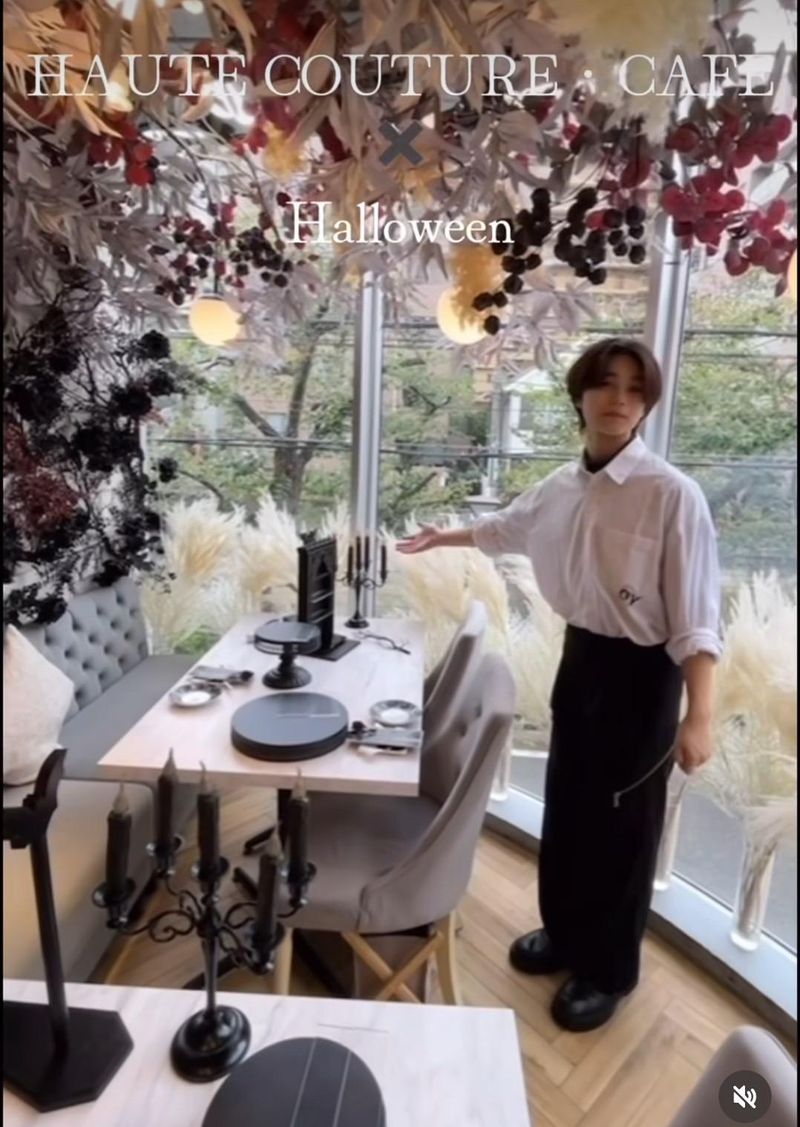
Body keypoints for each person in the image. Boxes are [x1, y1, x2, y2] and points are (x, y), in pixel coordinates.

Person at [397, 338, 721, 1033]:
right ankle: (566, 932)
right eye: (605, 384)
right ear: (580, 395)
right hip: (582, 659)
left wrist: (700, 716)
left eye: (635, 389)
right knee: (570, 804)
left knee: (623, 826)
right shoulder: (563, 485)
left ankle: (609, 969)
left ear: (647, 405)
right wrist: (441, 538)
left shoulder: (672, 494)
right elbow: (505, 528)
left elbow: (697, 617)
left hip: (644, 675)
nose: (619, 399)